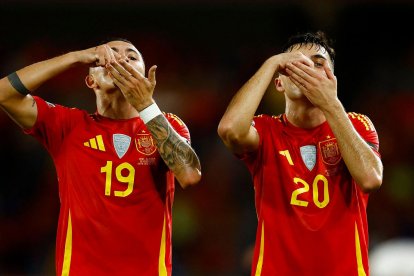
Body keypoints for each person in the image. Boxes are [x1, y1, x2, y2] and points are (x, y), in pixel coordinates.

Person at [0, 38, 201, 275]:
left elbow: (189, 175)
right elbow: (5, 94)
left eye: (132, 57)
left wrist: (146, 104)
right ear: (90, 80)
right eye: (107, 55)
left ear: (147, 81)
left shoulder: (168, 126)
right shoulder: (68, 126)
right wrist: (77, 56)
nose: (120, 59)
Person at [218, 31, 383, 275]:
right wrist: (271, 62)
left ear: (332, 79)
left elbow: (370, 178)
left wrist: (330, 103)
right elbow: (230, 130)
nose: (306, 70)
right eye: (293, 64)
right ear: (279, 82)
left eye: (317, 64)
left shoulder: (356, 125)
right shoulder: (266, 131)